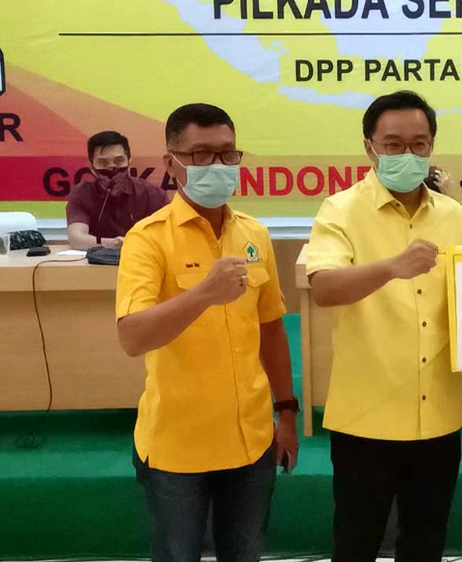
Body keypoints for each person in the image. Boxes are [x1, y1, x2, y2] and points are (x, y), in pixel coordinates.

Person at [115, 104, 298, 562]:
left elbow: (271, 329)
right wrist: (202, 294)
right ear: (170, 162)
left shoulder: (254, 234)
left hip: (251, 440)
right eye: (200, 154)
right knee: (178, 555)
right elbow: (132, 337)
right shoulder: (147, 238)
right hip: (177, 446)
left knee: (246, 552)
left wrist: (288, 414)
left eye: (227, 153)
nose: (217, 165)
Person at [305, 90, 462, 562]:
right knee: (356, 544)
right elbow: (324, 289)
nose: (408, 154)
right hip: (367, 416)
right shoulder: (339, 209)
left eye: (419, 144)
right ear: (370, 147)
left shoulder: (452, 215)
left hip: (438, 416)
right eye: (394, 144)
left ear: (432, 145)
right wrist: (391, 267)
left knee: (426, 544)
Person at [66, 131, 170, 250]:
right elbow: (76, 238)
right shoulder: (81, 194)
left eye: (119, 161)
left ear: (129, 161)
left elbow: (168, 235)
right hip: (97, 260)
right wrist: (113, 244)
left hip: (143, 256)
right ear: (91, 166)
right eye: (103, 162)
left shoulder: (152, 194)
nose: (112, 168)